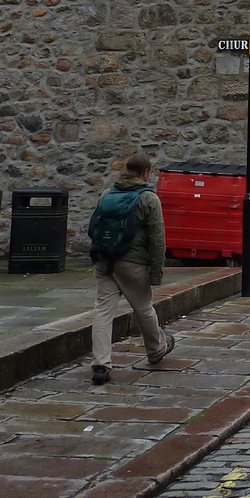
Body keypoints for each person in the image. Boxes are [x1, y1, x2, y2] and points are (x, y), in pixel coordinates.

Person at [89, 151, 173, 385]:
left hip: (104, 260)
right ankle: (156, 351)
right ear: (146, 173)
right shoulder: (148, 199)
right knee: (144, 308)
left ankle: (100, 364)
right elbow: (158, 240)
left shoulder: (107, 194)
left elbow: (95, 227)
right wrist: (156, 273)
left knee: (103, 311)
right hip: (133, 263)